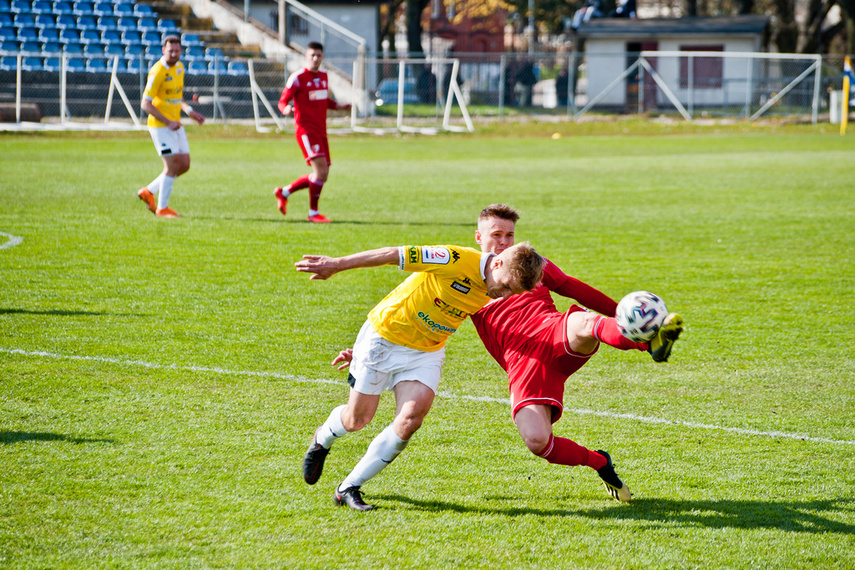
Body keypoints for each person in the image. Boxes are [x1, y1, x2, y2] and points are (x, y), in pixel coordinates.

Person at [332, 204, 684, 504]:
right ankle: (599, 463)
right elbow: (419, 312)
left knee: (584, 324)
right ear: (479, 237)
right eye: (496, 235)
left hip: (553, 331)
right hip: (522, 363)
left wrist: (625, 316)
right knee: (537, 441)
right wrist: (365, 351)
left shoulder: (533, 265)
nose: (502, 242)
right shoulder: (463, 269)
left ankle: (646, 343)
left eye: (508, 236)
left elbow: (576, 288)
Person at [295, 240, 545, 511]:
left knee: (410, 420)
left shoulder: (496, 285)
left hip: (426, 351)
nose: (504, 295)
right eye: (506, 286)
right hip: (384, 338)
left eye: (512, 293)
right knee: (357, 420)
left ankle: (349, 487)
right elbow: (392, 254)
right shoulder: (455, 259)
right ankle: (323, 438)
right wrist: (336, 264)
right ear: (496, 262)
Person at [274, 42, 352, 224]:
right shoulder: (298, 77)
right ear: (306, 56)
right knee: (321, 171)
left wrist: (339, 106)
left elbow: (323, 100)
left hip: (321, 131)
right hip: (306, 131)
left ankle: (284, 192)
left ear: (322, 57)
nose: (316, 58)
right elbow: (282, 100)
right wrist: (285, 109)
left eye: (319, 55)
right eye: (312, 55)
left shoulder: (324, 77)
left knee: (321, 174)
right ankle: (313, 213)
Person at [137, 35, 205, 218]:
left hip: (176, 124)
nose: (174, 54)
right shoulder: (157, 71)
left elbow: (177, 97)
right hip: (161, 126)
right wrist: (168, 122)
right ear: (163, 50)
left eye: (177, 50)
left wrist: (189, 111)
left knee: (184, 165)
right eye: (170, 51)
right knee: (172, 165)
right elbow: (145, 104)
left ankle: (148, 191)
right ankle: (162, 209)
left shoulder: (179, 68)